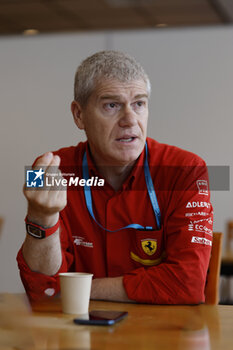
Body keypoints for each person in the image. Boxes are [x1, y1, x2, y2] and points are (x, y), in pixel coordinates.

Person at [17, 51, 213, 304]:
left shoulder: (188, 169)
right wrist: (40, 217)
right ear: (79, 115)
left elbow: (188, 284)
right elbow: (41, 290)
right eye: (112, 105)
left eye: (139, 104)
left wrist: (73, 289)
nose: (130, 120)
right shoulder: (45, 170)